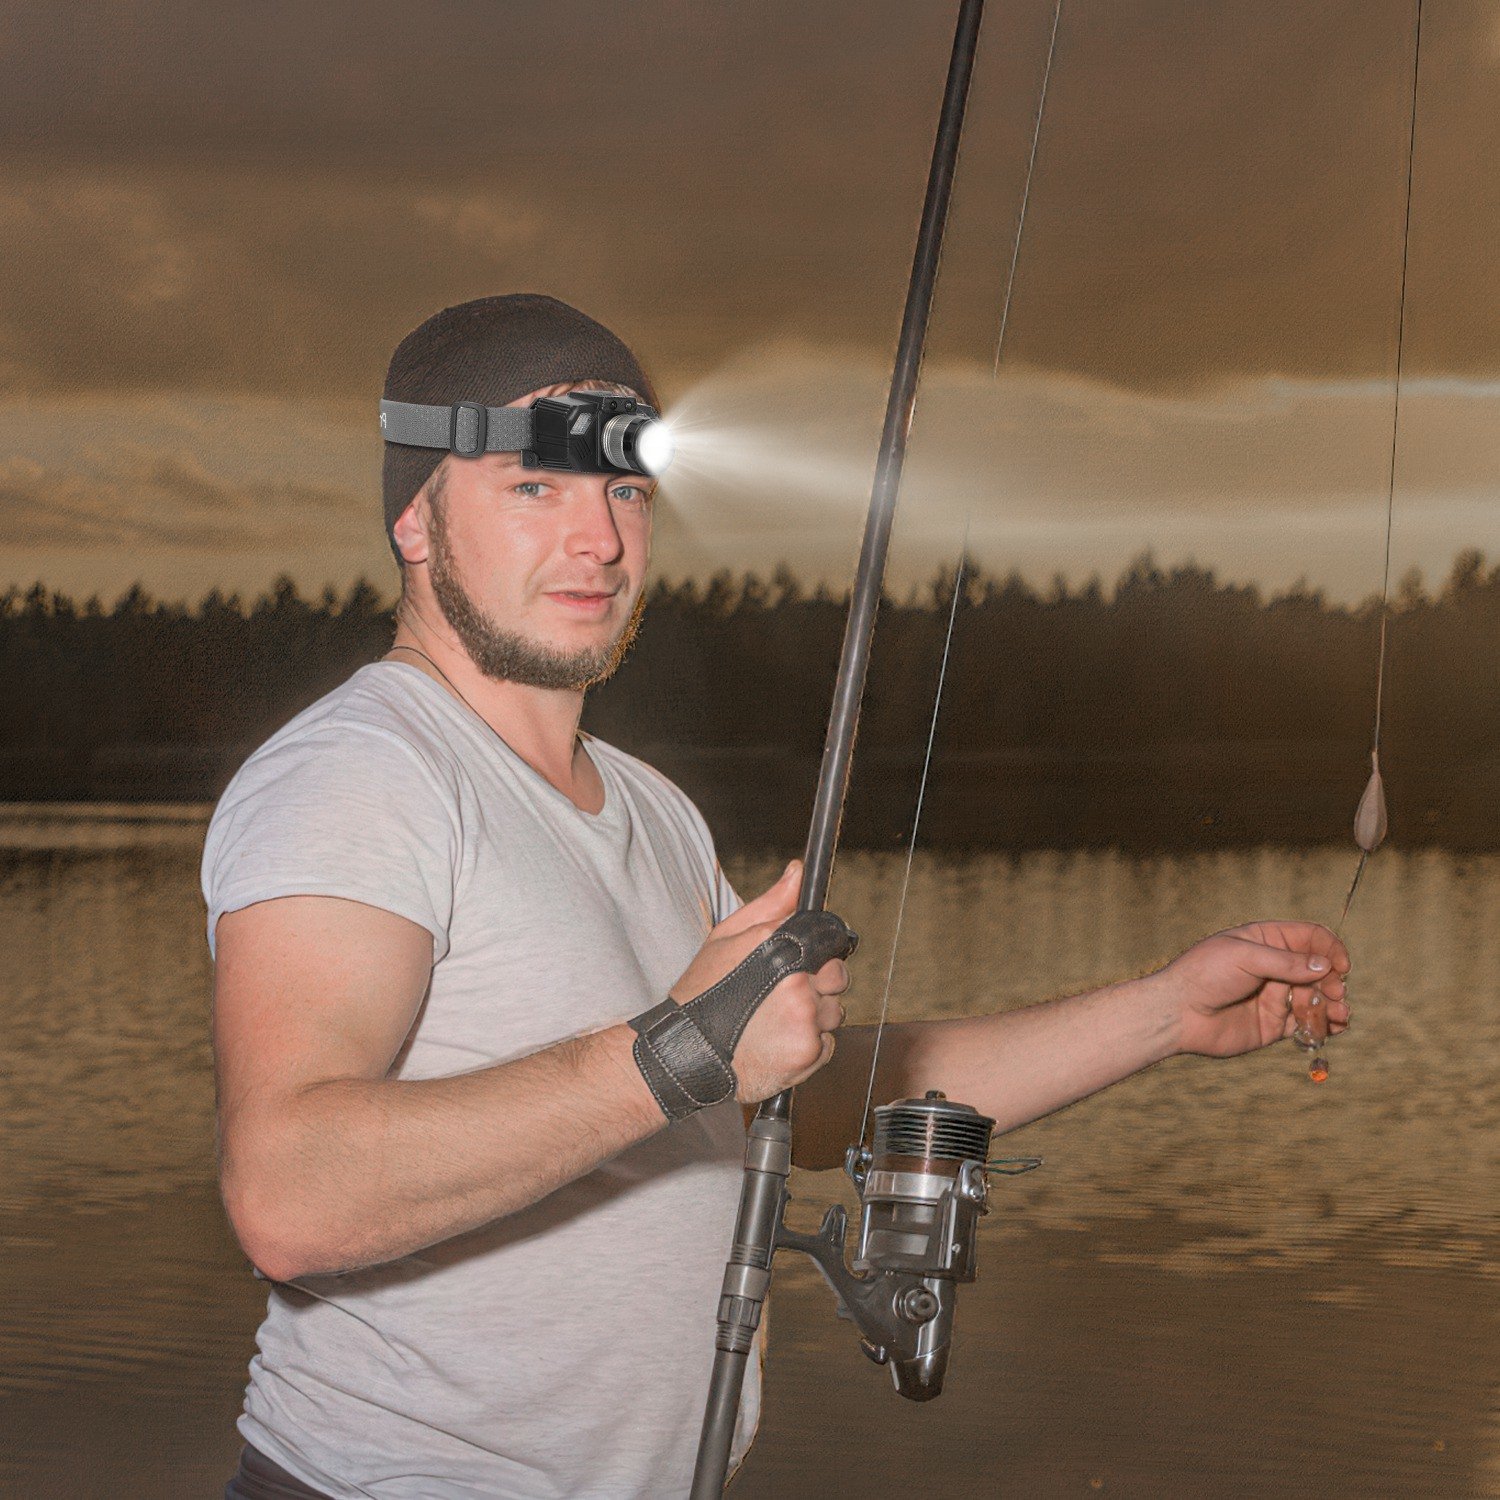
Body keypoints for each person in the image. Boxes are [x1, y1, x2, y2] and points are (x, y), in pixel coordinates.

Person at [204, 293, 1350, 1500]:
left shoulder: (650, 808)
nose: (599, 539)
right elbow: (287, 1195)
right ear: (414, 517)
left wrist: (1166, 1011)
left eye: (626, 490)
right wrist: (685, 1047)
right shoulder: (363, 774)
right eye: (534, 487)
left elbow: (790, 1103)